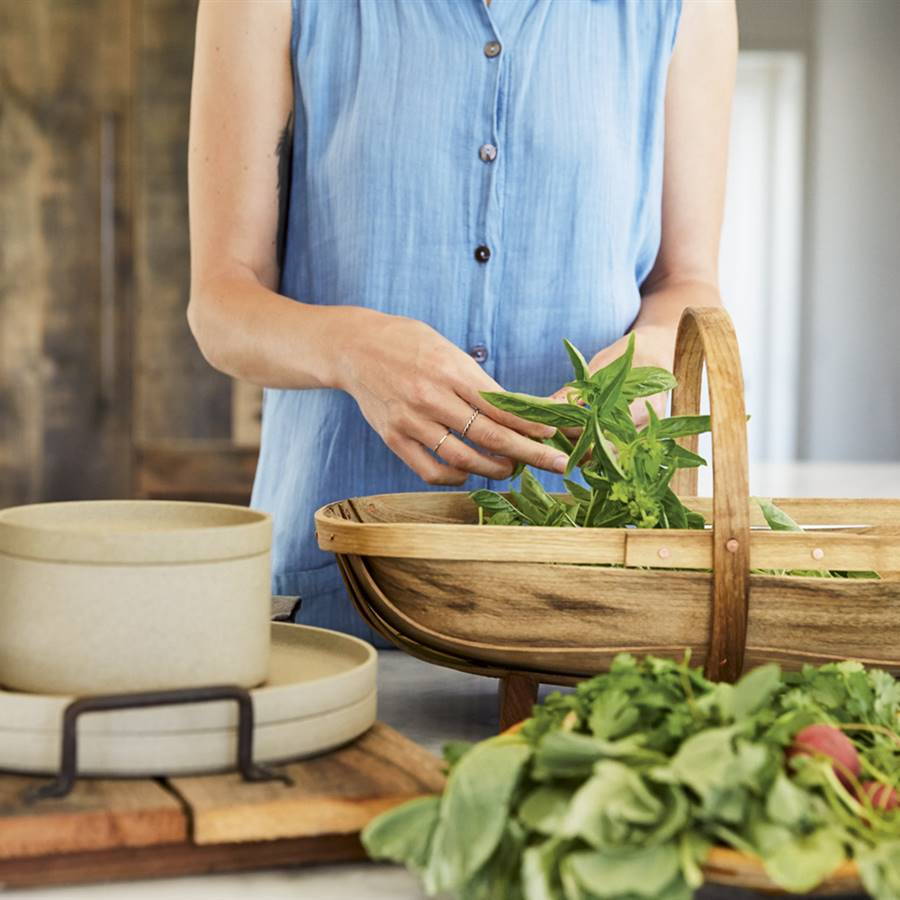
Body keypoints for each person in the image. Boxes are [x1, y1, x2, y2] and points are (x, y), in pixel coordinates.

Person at [187, 0, 737, 645]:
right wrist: (353, 348)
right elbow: (222, 303)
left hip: (594, 583)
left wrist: (651, 355)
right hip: (343, 586)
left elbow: (687, 284)